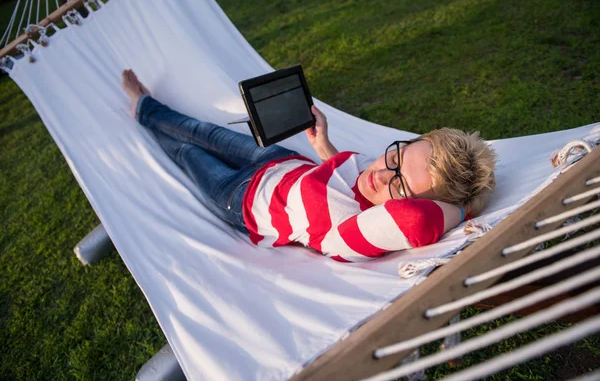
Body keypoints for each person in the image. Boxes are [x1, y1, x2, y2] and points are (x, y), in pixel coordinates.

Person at [121, 69, 497, 262]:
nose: (380, 175)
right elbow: (343, 174)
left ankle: (142, 113)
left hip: (240, 199)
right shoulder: (374, 176)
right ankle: (149, 107)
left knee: (188, 153)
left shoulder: (351, 234)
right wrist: (325, 146)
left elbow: (414, 221)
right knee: (201, 131)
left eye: (398, 188)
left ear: (411, 203)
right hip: (277, 161)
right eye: (395, 158)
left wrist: (467, 207)